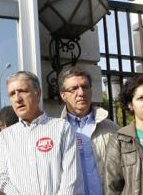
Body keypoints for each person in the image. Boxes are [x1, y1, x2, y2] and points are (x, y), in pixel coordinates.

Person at [0, 71, 84, 195]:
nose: (17, 98)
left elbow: (71, 178)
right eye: (12, 94)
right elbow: (2, 178)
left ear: (38, 94)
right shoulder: (4, 137)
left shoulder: (61, 128)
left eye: (23, 91)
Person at [58, 66, 118, 195]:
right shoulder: (56, 131)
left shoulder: (111, 129)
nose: (81, 93)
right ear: (63, 96)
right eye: (73, 89)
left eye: (85, 87)